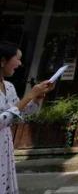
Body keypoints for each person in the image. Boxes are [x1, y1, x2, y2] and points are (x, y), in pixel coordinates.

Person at [1, 41, 54, 194]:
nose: (20, 63)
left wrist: (37, 97)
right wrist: (29, 95)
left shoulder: (9, 86)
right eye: (17, 59)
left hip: (5, 149)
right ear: (2, 61)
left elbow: (20, 114)